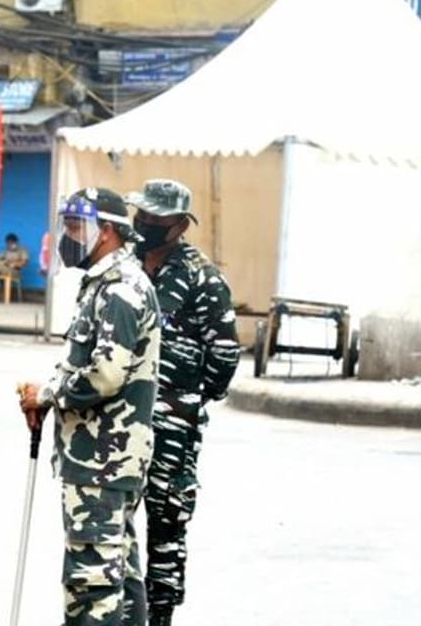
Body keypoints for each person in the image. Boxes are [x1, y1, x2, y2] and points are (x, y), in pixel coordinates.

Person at [17, 187, 161, 626]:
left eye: (78, 227)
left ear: (108, 232)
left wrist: (47, 394)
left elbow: (105, 375)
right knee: (120, 573)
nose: (69, 236)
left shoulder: (120, 290)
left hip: (103, 461)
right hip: (107, 460)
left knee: (91, 586)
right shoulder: (106, 285)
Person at [125, 179, 240, 626]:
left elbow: (225, 353)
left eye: (156, 218)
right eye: (143, 215)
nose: (146, 224)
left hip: (174, 422)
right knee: (115, 518)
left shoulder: (202, 278)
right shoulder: (127, 266)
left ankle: (161, 615)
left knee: (166, 519)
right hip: (123, 418)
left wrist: (189, 398)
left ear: (178, 225)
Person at [0, 233, 30, 300]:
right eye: (8, 243)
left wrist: (14, 264)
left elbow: (25, 262)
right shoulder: (5, 251)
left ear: (16, 242)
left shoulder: (22, 250)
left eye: (11, 243)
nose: (9, 245)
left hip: (14, 271)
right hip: (3, 269)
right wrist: (3, 262)